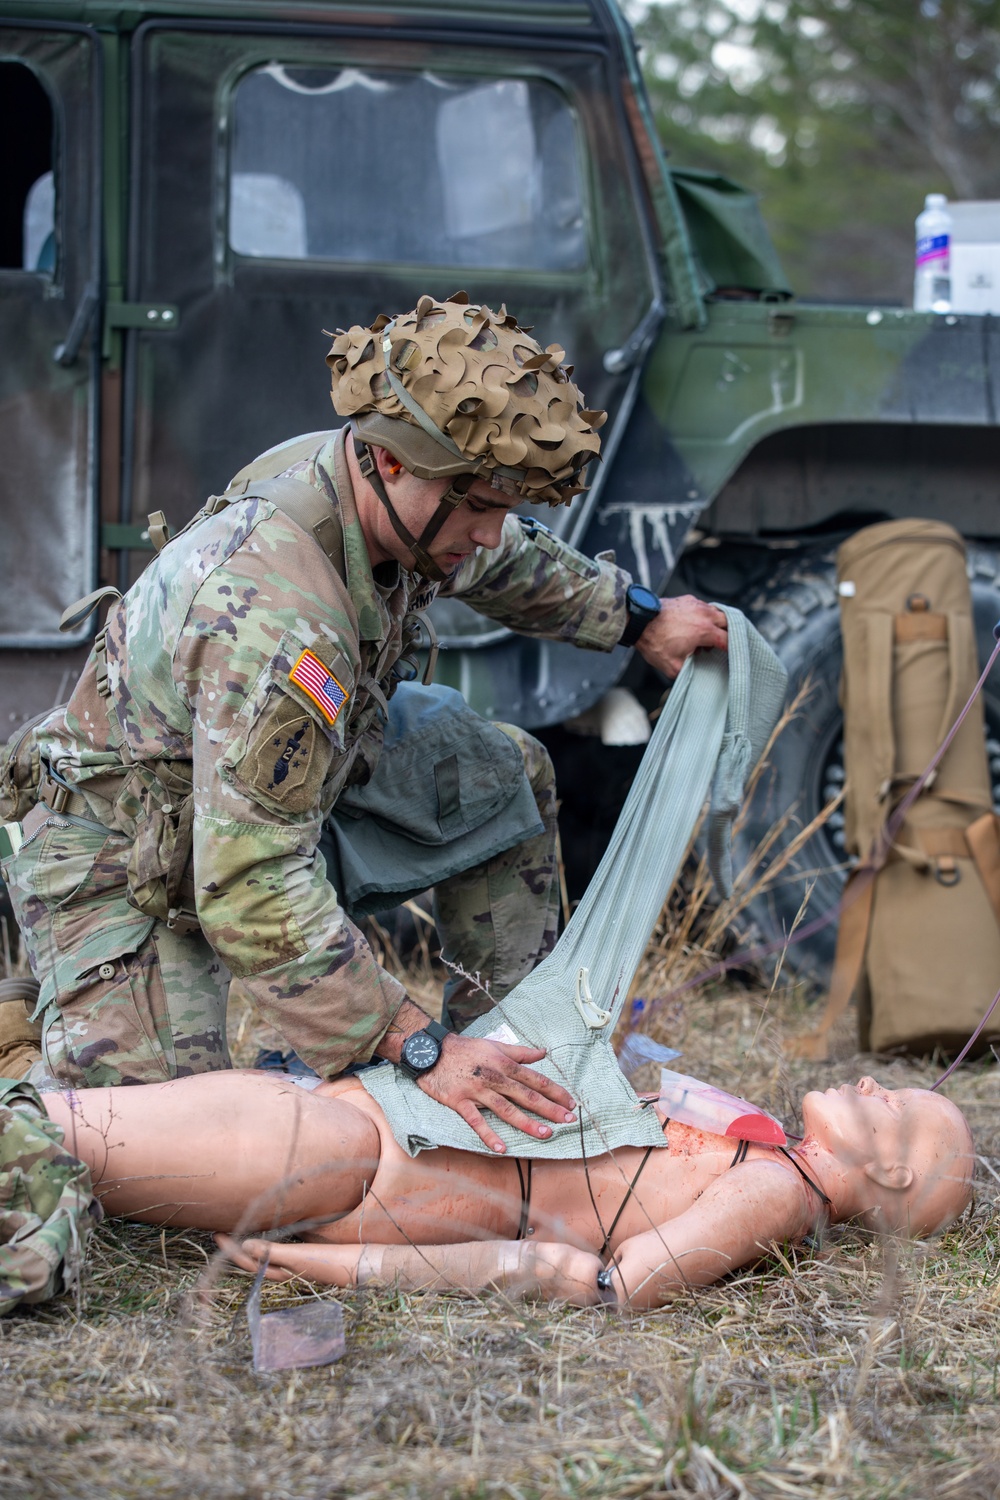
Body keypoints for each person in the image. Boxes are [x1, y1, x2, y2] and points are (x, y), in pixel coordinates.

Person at [0, 294, 728, 1147]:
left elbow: (508, 557)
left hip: (277, 793)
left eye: (503, 505)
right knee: (148, 1141)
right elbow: (249, 884)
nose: (492, 535)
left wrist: (639, 618)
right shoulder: (277, 611)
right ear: (390, 463)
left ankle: (517, 1058)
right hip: (128, 851)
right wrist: (415, 1042)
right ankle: (22, 1041)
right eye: (482, 507)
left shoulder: (386, 491)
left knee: (503, 778)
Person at [43, 1070, 974, 1310]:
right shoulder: (766, 1153)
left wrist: (322, 1266)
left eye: (891, 1102)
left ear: (891, 1171)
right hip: (380, 1133)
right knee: (67, 1123)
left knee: (55, 1133)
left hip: (367, 1166)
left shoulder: (776, 1191)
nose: (866, 1085)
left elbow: (598, 1282)